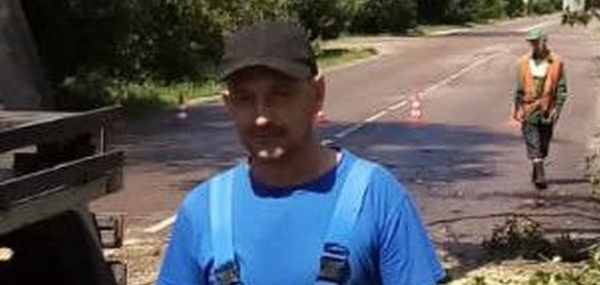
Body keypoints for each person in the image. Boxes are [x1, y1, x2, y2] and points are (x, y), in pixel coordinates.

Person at [157, 21, 445, 285]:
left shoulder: (376, 197)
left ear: (317, 93)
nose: (261, 117)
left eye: (279, 95)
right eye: (246, 98)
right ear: (228, 104)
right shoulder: (203, 210)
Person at [509, 27, 567, 189]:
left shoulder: (557, 62)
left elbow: (562, 89)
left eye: (536, 42)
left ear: (544, 41)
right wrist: (515, 111)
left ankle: (536, 167)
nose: (533, 45)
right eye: (531, 42)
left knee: (544, 143)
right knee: (533, 140)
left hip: (547, 109)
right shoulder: (523, 62)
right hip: (529, 108)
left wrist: (558, 108)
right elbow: (519, 89)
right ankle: (540, 174)